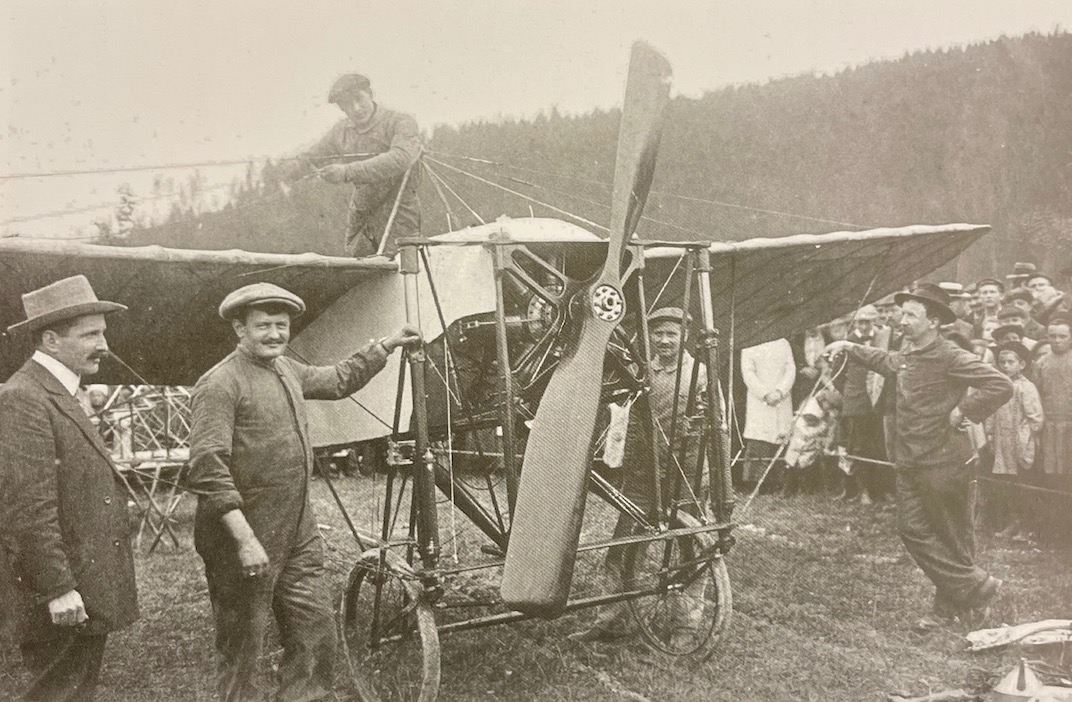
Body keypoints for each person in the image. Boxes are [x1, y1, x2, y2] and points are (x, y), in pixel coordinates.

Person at [187, 282, 419, 702]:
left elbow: (338, 379)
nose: (275, 334)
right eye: (264, 326)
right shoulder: (220, 384)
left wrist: (386, 346)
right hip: (242, 537)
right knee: (243, 647)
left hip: (297, 530)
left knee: (314, 630)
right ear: (240, 329)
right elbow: (207, 468)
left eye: (282, 325)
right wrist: (244, 540)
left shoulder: (286, 370)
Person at [825, 282, 1012, 632]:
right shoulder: (909, 353)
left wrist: (965, 411)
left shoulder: (951, 355)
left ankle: (949, 611)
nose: (902, 321)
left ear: (935, 321)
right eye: (902, 314)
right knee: (911, 529)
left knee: (952, 539)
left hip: (947, 464)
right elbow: (886, 360)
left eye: (911, 315)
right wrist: (849, 346)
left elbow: (1001, 385)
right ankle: (976, 588)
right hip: (911, 462)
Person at [0, 275, 138, 701]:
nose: (104, 345)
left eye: (103, 332)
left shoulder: (58, 391)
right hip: (59, 595)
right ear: (50, 340)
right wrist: (58, 588)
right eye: (90, 334)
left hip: (84, 584)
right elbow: (28, 506)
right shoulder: (24, 397)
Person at [571, 307, 709, 643]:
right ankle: (611, 619)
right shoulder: (641, 370)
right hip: (643, 473)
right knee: (624, 548)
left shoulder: (699, 374)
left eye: (671, 334)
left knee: (689, 550)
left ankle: (685, 626)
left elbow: (710, 422)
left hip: (684, 473)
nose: (663, 340)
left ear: (684, 337)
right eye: (658, 333)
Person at [273, 73, 421, 258]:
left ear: (370, 94)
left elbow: (401, 158)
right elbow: (314, 156)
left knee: (401, 274)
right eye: (347, 105)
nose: (356, 108)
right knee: (358, 272)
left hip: (399, 217)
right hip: (362, 220)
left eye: (359, 99)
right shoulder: (341, 131)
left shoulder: (400, 122)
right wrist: (290, 168)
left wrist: (346, 172)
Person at [983, 342, 1043, 538]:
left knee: (1023, 483)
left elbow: (1036, 419)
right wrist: (991, 435)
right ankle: (1012, 521)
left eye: (1011, 362)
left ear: (1022, 364)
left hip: (1020, 442)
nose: (1006, 366)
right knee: (1006, 483)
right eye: (1003, 362)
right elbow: (991, 411)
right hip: (1002, 443)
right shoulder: (999, 386)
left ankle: (1026, 526)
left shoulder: (1027, 388)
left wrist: (1024, 438)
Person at [739, 337, 795, 489]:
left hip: (781, 399)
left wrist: (780, 391)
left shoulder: (783, 343)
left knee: (781, 435)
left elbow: (791, 370)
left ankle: (779, 481)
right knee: (759, 439)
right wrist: (765, 394)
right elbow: (748, 374)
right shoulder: (749, 344)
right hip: (760, 401)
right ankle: (756, 483)